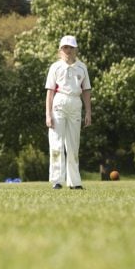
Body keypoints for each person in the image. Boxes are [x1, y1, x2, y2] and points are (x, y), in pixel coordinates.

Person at [45, 35, 91, 190]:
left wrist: (88, 112)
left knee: (73, 145)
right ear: (60, 50)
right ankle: (57, 180)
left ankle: (74, 182)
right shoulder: (55, 67)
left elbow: (86, 90)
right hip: (59, 103)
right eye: (65, 47)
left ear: (75, 49)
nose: (68, 50)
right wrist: (48, 114)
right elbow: (50, 92)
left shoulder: (82, 67)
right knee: (56, 142)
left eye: (71, 47)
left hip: (75, 103)